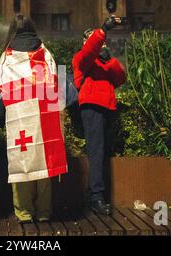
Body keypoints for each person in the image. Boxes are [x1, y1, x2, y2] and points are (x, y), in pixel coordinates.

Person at [0, 15, 67, 223]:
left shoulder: (7, 58)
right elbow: (55, 86)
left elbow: (1, 90)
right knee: (44, 160)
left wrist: (1, 117)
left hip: (18, 117)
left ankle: (24, 211)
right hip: (45, 116)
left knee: (21, 160)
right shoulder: (46, 54)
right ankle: (44, 211)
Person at [72, 17, 126, 215]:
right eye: (92, 39)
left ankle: (95, 194)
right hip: (92, 107)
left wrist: (109, 59)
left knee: (101, 153)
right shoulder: (81, 58)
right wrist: (103, 30)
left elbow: (120, 77)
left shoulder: (103, 62)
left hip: (106, 108)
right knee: (96, 153)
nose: (99, 43)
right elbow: (89, 51)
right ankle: (96, 197)